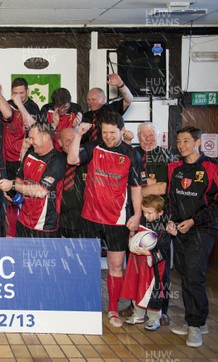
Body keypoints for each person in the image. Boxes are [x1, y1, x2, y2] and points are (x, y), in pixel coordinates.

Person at [67, 112, 145, 328]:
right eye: (105, 132)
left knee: (116, 265)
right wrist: (77, 135)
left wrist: (137, 214)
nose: (109, 137)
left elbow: (136, 187)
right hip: (90, 217)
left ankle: (112, 309)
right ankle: (87, 306)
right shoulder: (94, 147)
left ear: (121, 130)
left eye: (112, 132)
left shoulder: (131, 154)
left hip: (117, 219)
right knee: (87, 265)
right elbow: (72, 159)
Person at [166, 126, 218, 347]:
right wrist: (171, 220)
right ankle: (200, 321)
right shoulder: (174, 168)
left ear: (198, 142)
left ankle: (194, 326)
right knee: (187, 274)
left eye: (186, 141)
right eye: (179, 141)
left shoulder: (212, 167)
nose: (181, 146)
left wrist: (193, 221)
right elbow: (171, 197)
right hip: (181, 228)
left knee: (192, 275)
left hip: (204, 228)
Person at [126, 122, 174, 325]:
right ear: (138, 136)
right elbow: (126, 185)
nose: (147, 138)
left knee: (159, 266)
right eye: (143, 134)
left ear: (158, 136)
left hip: (158, 220)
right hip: (136, 216)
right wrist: (149, 186)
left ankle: (160, 310)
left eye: (151, 134)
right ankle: (135, 305)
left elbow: (164, 187)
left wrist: (138, 189)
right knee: (136, 262)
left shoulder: (165, 156)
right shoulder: (132, 153)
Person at [0, 122, 65, 238]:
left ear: (46, 138)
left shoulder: (57, 161)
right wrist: (12, 192)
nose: (30, 142)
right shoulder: (30, 155)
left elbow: (40, 191)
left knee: (41, 257)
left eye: (33, 138)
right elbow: (19, 181)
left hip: (44, 227)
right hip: (22, 221)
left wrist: (12, 186)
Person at [120, 195, 170, 331]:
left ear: (160, 212)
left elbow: (164, 250)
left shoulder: (163, 228)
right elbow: (135, 237)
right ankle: (138, 314)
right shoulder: (141, 221)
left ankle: (154, 318)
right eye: (144, 212)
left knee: (152, 292)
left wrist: (148, 253)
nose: (146, 215)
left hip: (152, 268)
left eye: (150, 213)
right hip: (137, 263)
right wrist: (131, 233)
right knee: (136, 287)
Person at [2, 77, 40, 237]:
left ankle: (24, 232)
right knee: (8, 196)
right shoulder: (6, 105)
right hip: (7, 159)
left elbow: (31, 125)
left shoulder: (32, 106)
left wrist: (19, 104)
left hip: (26, 157)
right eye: (15, 93)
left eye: (22, 93)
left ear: (27, 91)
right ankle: (10, 234)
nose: (18, 96)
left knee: (25, 195)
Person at [81, 74, 133, 144]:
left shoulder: (111, 109)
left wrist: (120, 84)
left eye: (93, 99)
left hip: (108, 150)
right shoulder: (85, 116)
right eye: (88, 100)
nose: (90, 102)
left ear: (103, 99)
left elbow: (128, 100)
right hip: (89, 151)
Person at [57, 127, 89, 238]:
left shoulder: (89, 159)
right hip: (59, 222)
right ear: (60, 143)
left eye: (74, 139)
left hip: (85, 223)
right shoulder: (55, 161)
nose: (71, 143)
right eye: (67, 140)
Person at [39, 88, 83, 152]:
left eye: (65, 107)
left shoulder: (76, 109)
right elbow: (43, 138)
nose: (62, 110)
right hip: (51, 151)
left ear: (70, 103)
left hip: (69, 149)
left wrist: (75, 126)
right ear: (54, 104)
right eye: (59, 107)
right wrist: (53, 125)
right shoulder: (46, 109)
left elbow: (80, 136)